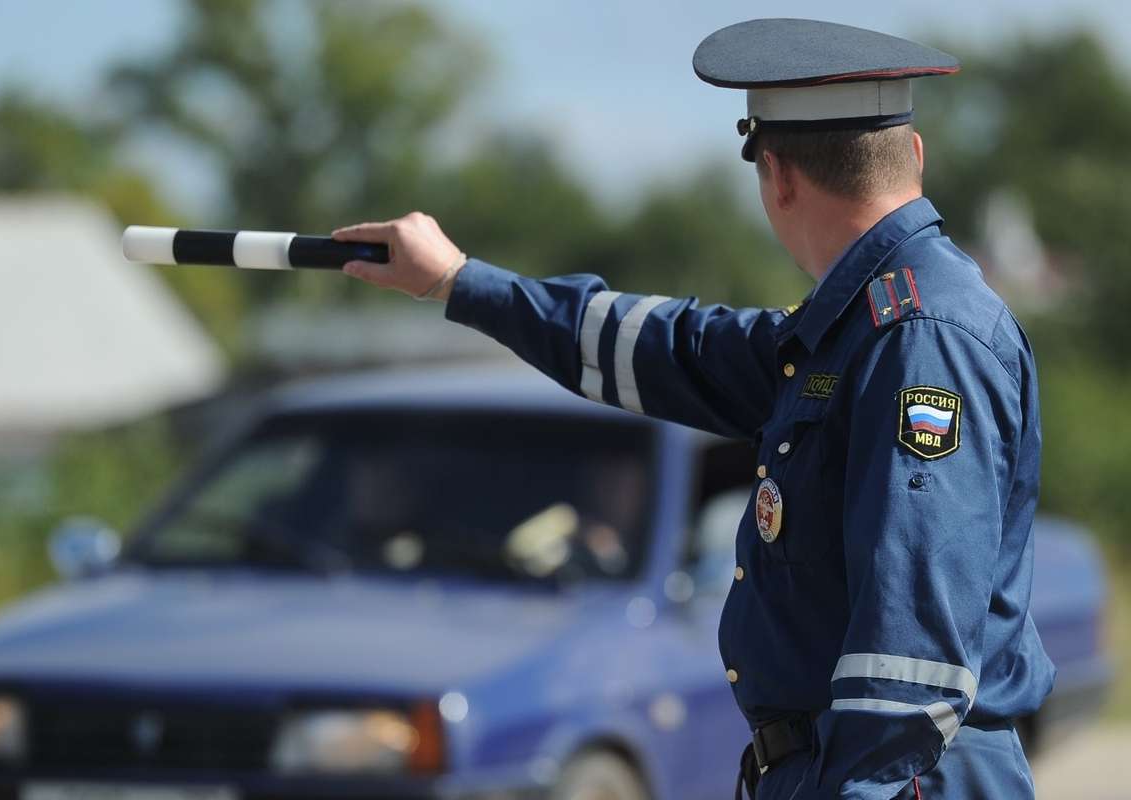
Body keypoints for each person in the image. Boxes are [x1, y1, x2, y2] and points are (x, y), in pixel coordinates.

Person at [333, 18, 1054, 800]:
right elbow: (670, 349)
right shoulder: (853, 331)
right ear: (913, 155)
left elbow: (909, 663)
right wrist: (460, 281)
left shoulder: (918, 337)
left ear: (776, 175)